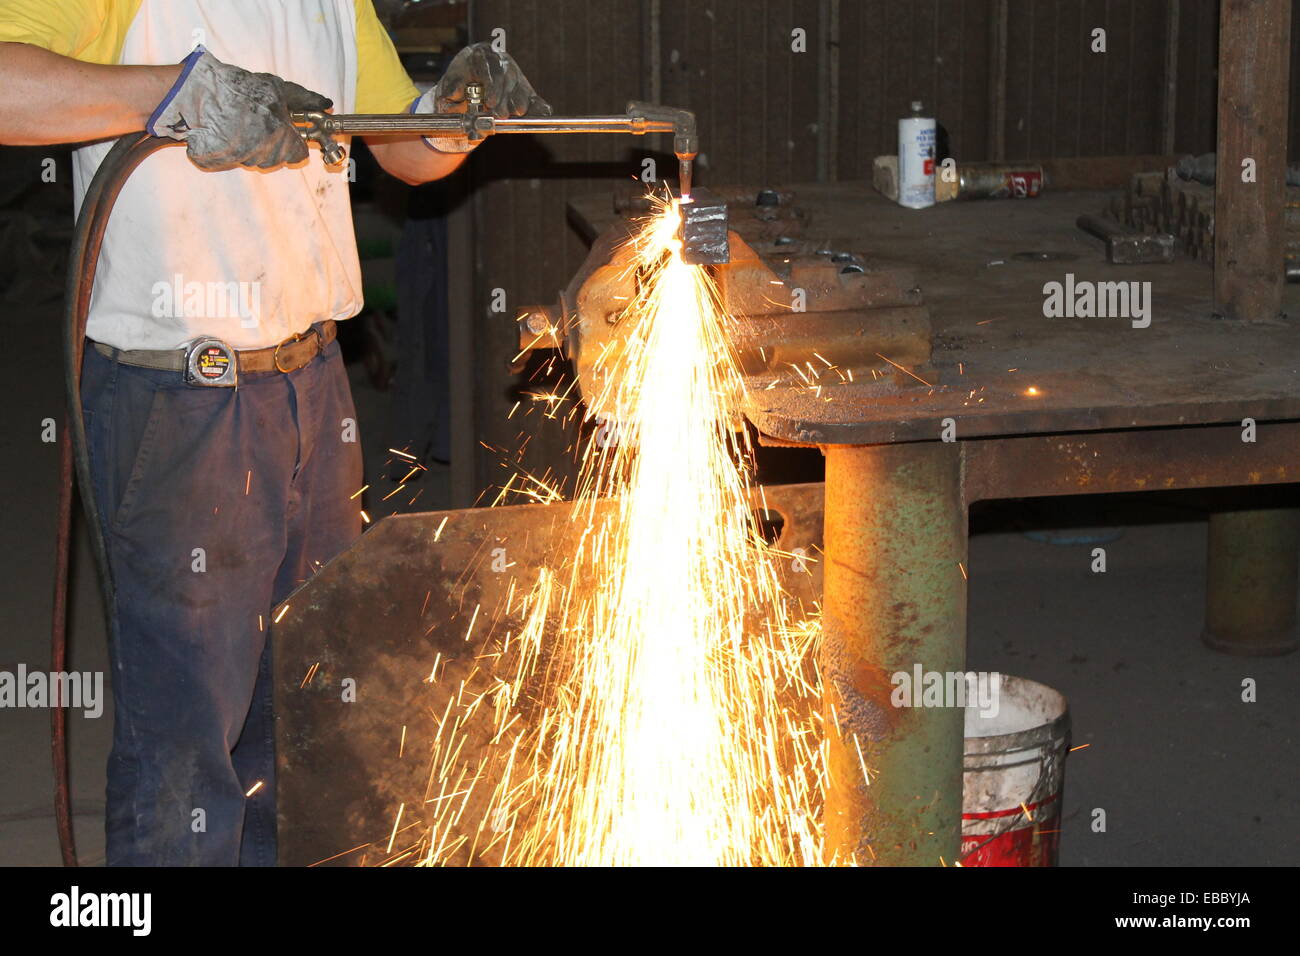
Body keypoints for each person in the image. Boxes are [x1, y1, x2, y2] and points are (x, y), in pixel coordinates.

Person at [0, 0, 549, 866]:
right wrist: (172, 94)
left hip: (312, 382)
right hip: (181, 392)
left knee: (302, 712)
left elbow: (398, 147)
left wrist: (455, 119)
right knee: (188, 738)